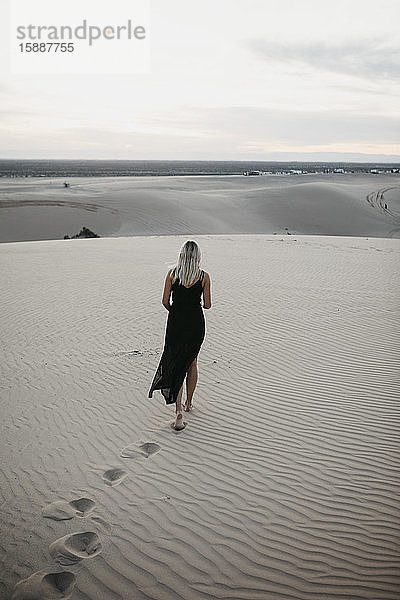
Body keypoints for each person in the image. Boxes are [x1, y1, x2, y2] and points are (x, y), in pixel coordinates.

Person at [148, 240, 212, 430]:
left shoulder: (172, 274)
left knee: (177, 363)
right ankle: (189, 403)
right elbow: (207, 305)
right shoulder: (203, 277)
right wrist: (194, 305)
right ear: (198, 256)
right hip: (195, 323)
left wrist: (176, 311)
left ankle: (178, 411)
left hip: (176, 322)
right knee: (191, 362)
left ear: (181, 255)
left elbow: (164, 301)